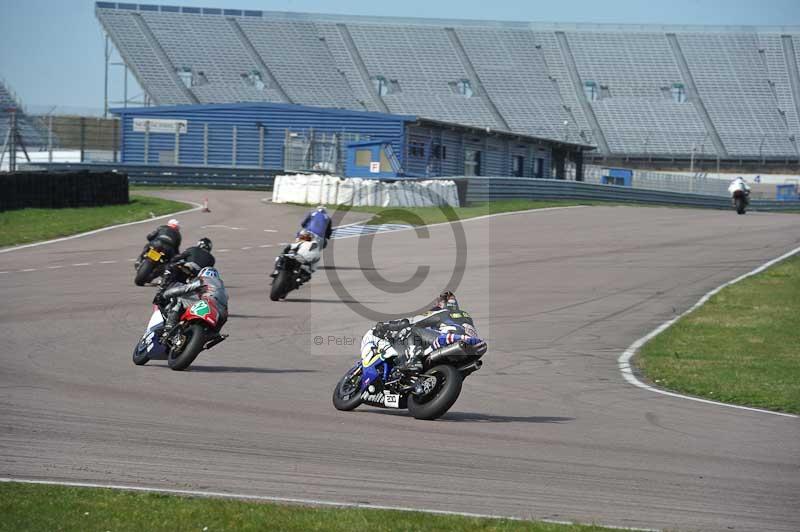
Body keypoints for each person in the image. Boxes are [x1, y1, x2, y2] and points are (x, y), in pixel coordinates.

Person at [363, 290, 482, 372]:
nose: (435, 306)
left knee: (413, 330)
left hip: (449, 340)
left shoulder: (442, 312)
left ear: (442, 304)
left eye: (437, 305)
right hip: (474, 346)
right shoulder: (466, 315)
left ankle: (414, 360)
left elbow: (412, 322)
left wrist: (388, 326)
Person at [157, 266, 229, 340]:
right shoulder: (223, 288)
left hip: (207, 302)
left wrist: (165, 295)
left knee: (180, 298)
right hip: (222, 313)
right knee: (213, 334)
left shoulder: (203, 279)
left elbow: (185, 289)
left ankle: (169, 327)